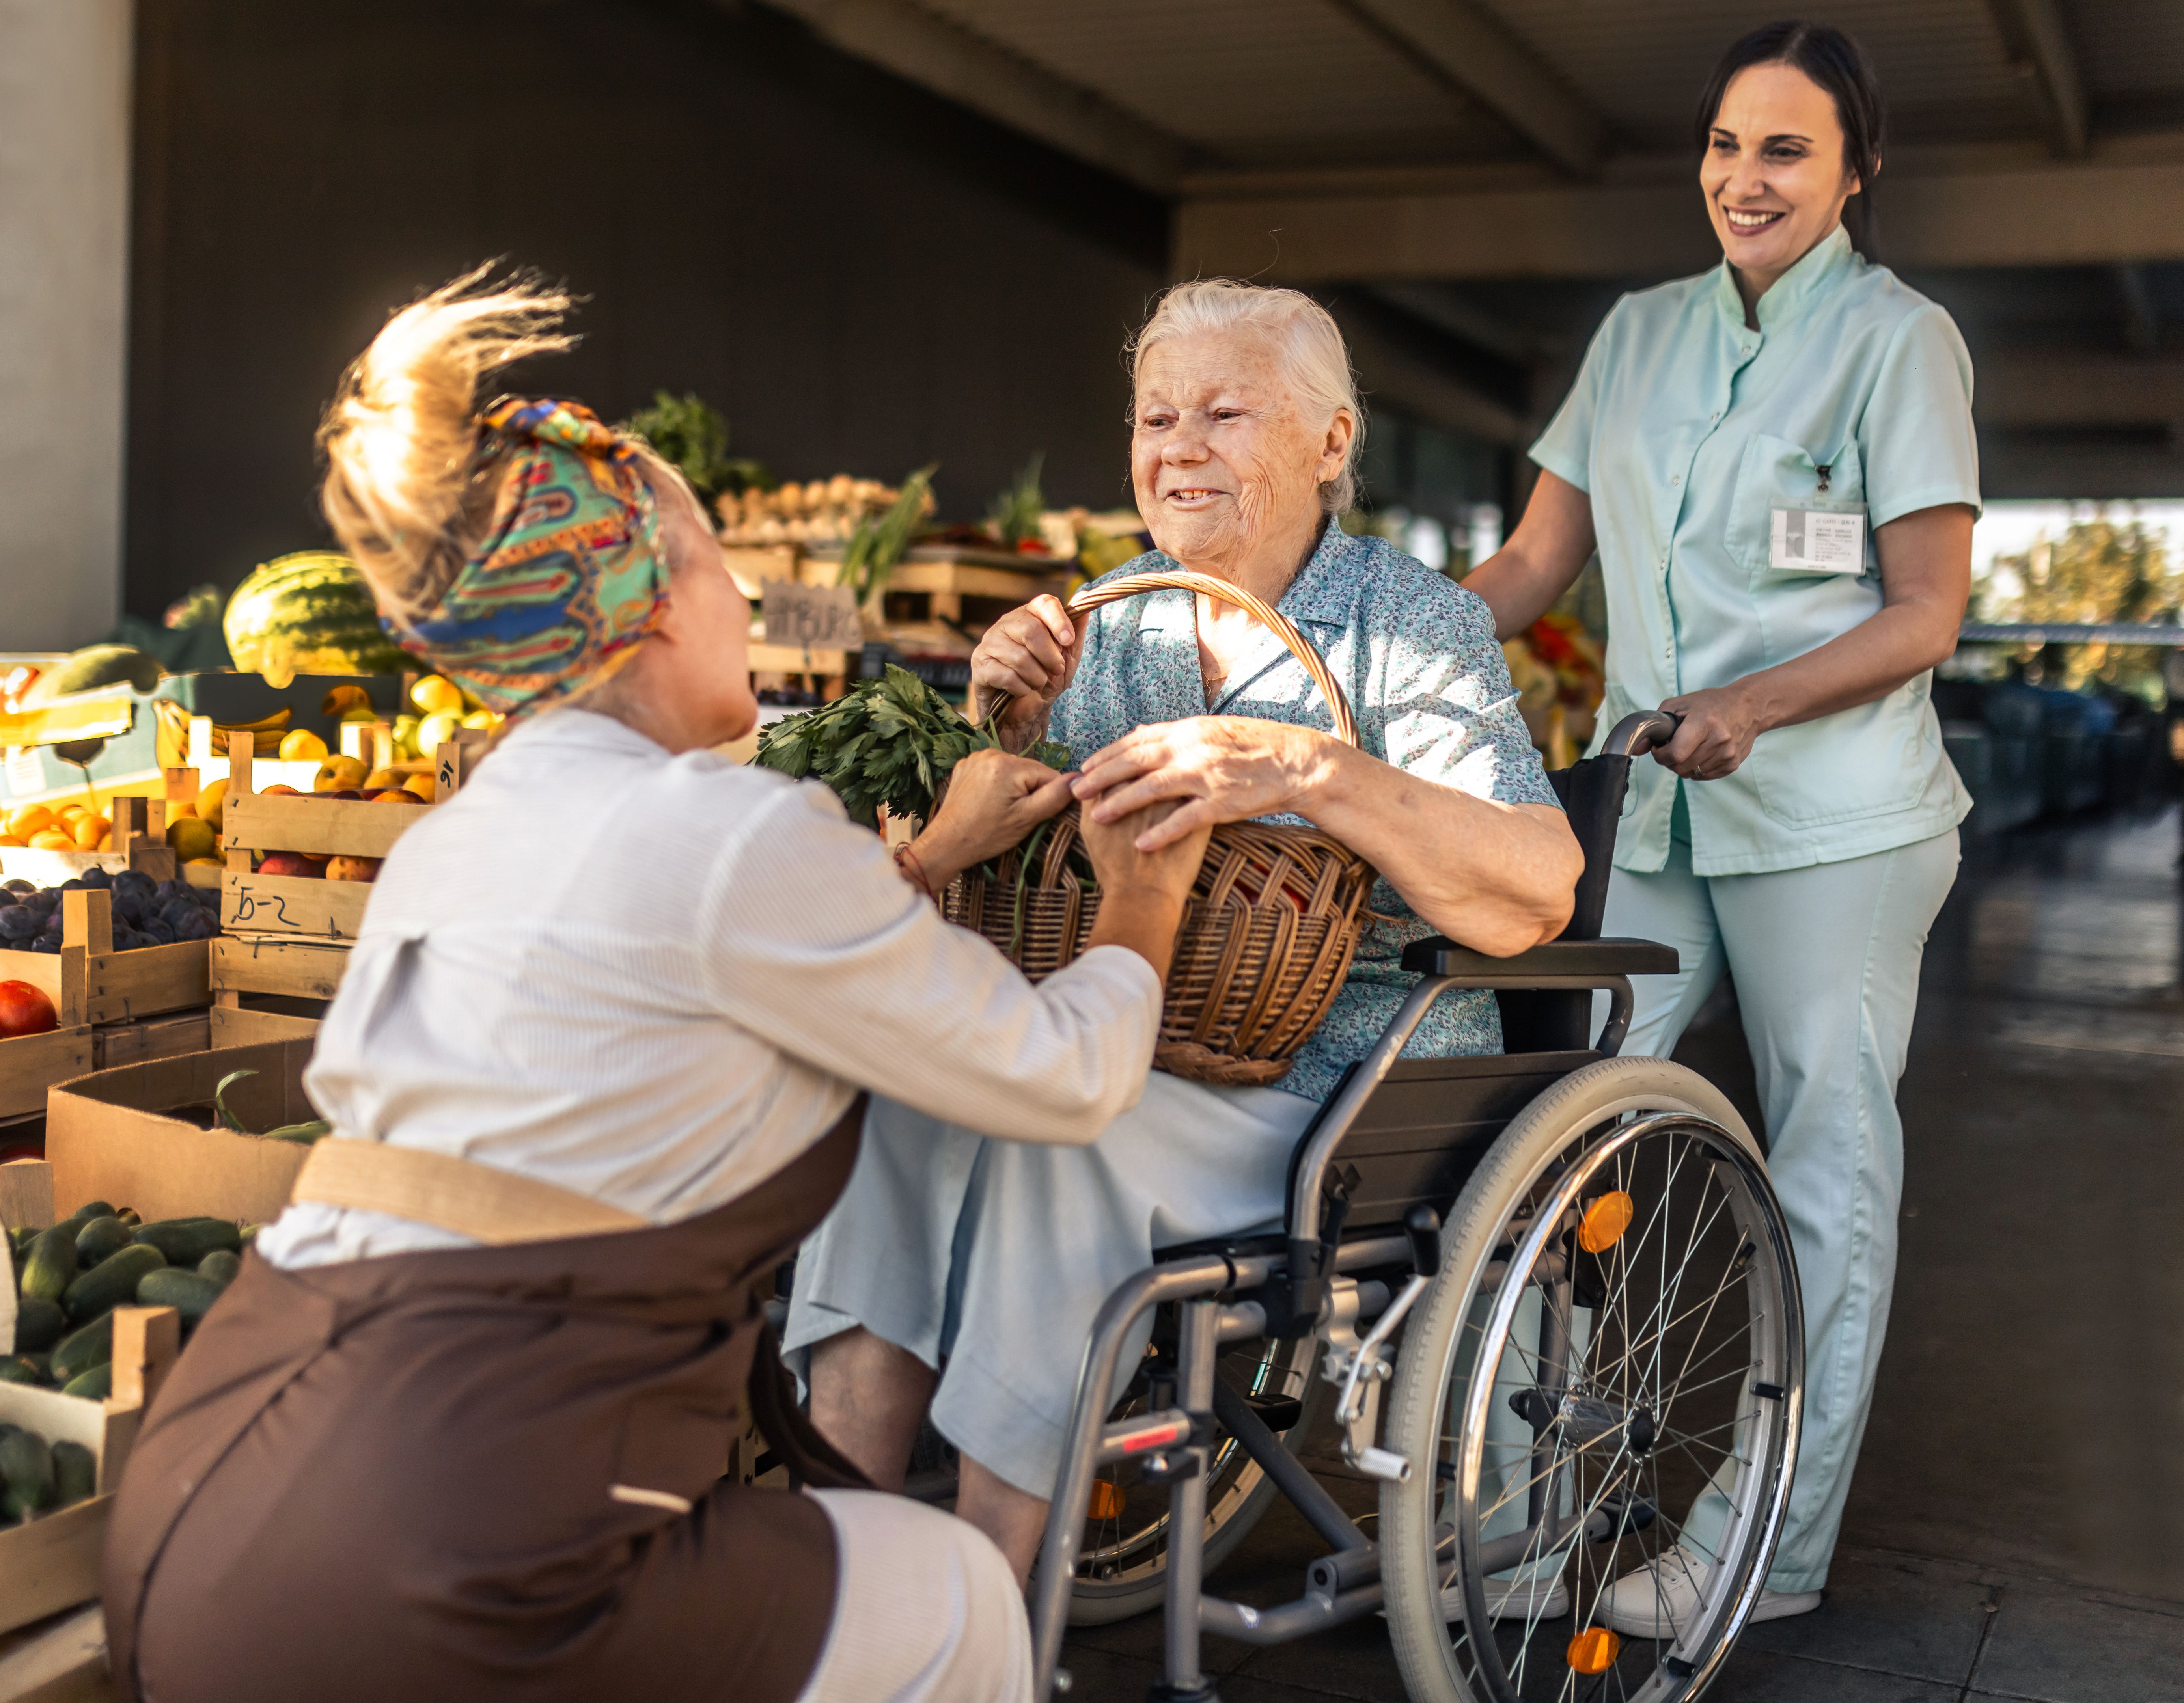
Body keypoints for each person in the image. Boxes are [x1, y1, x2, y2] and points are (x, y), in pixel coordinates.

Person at [101, 273, 1214, 1703]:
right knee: (952, 1598)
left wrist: (930, 858)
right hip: (450, 1533)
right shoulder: (736, 832)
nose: (741, 592)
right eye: (706, 563)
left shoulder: (460, 839)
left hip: (209, 1504)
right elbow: (1061, 1076)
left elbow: (682, 968)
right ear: (639, 608)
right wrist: (1144, 896)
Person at [787, 279, 1585, 1584]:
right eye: (1156, 417)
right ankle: (831, 1584)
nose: (1178, 448)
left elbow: (1537, 884)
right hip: (1128, 1046)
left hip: (1340, 1093)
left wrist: (1314, 773)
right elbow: (1034, 869)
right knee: (899, 1111)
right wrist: (1003, 730)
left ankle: (987, 1621)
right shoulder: (1105, 618)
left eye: (1224, 412)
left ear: (1331, 446)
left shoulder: (1414, 626)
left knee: (1059, 1130)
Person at [1462, 20, 1977, 1631]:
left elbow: (1923, 614)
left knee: (1820, 1167)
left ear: (1852, 171)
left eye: (1784, 151)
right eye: (1723, 146)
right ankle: (1524, 1526)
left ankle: (1758, 1543)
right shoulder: (1635, 335)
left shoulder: (1900, 343)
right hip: (1652, 822)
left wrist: (1755, 704)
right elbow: (1530, 572)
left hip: (1835, 823)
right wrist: (1352, 634)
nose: (1741, 180)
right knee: (1535, 1136)